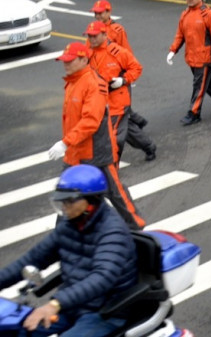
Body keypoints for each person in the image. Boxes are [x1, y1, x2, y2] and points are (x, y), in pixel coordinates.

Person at [0, 165, 138, 337]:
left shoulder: (112, 232)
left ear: (91, 201)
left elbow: (101, 278)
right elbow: (33, 258)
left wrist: (55, 304)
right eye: (62, 201)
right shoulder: (70, 224)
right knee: (15, 329)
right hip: (72, 305)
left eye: (69, 201)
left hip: (104, 311)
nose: (64, 207)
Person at [50, 43, 145, 230]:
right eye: (64, 60)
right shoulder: (73, 81)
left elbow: (91, 121)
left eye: (70, 61)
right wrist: (68, 145)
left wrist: (65, 143)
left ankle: (136, 225)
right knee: (66, 193)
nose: (65, 64)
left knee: (114, 191)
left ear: (84, 60)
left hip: (95, 152)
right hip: (75, 152)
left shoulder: (94, 84)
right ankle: (61, 233)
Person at [85, 22, 155, 165]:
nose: (91, 39)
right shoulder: (88, 53)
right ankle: (148, 146)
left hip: (116, 101)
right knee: (125, 128)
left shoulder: (117, 52)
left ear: (104, 35)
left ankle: (111, 167)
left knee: (113, 136)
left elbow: (136, 68)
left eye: (94, 36)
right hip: (99, 100)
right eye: (89, 36)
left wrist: (123, 80)